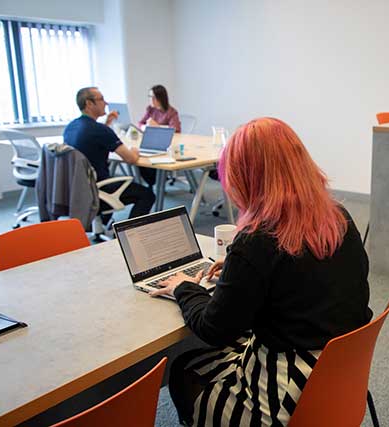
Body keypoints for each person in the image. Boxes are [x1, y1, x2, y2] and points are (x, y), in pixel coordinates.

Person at [150, 117, 372, 426]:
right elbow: (303, 269)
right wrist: (240, 270)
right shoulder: (338, 218)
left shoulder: (257, 240)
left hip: (284, 401)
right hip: (337, 378)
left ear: (245, 178)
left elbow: (214, 330)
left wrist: (184, 287)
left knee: (184, 369)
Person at [63, 87, 155, 220]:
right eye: (101, 99)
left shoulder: (71, 127)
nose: (105, 103)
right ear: (89, 103)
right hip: (97, 190)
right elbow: (131, 159)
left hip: (76, 189)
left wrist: (107, 123)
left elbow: (94, 139)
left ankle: (104, 224)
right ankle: (130, 234)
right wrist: (135, 150)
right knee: (147, 195)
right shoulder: (100, 130)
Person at [137, 84, 181, 186]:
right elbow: (140, 123)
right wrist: (145, 127)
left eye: (153, 97)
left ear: (160, 98)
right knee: (139, 158)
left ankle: (155, 181)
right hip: (151, 142)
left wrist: (157, 127)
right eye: (149, 97)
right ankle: (151, 182)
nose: (151, 100)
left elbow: (176, 130)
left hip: (166, 145)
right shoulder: (150, 109)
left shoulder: (171, 112)